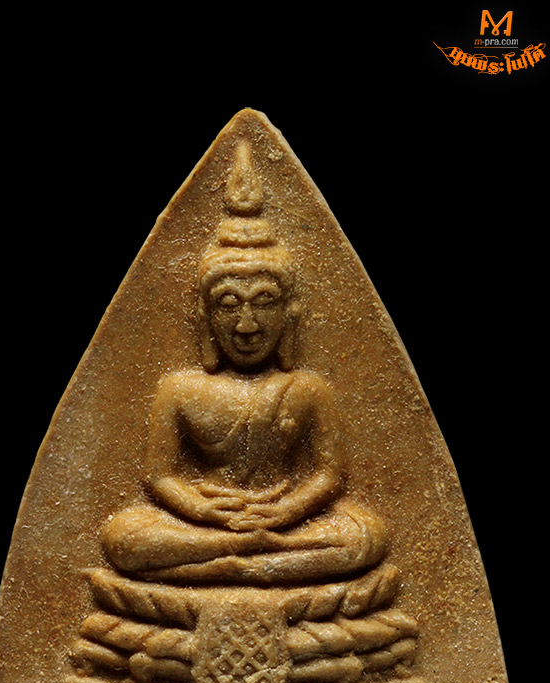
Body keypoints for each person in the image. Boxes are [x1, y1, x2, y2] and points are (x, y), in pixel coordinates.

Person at [101, 141, 387, 585]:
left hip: (284, 523)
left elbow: (330, 476)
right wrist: (205, 512)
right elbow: (159, 478)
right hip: (207, 522)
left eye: (265, 302)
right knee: (123, 537)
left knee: (365, 536)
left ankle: (234, 563)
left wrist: (284, 512)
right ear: (205, 319)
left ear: (290, 315)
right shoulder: (179, 389)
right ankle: (243, 559)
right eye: (229, 304)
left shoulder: (309, 389)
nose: (247, 325)